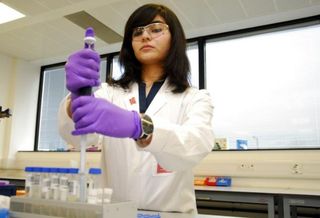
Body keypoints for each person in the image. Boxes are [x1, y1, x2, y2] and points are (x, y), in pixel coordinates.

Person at [58, 3, 214, 214]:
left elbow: (196, 145)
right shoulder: (110, 92)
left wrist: (141, 127)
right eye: (137, 32)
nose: (145, 36)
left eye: (156, 29)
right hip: (115, 212)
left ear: (174, 38)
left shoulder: (194, 97)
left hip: (170, 214)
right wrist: (77, 97)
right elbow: (77, 136)